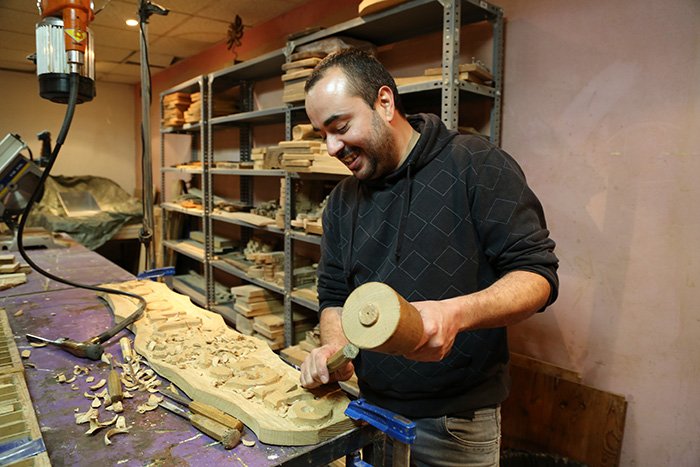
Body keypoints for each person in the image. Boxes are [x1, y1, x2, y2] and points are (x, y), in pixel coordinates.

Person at [300, 48, 559, 467]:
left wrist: (456, 313)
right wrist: (334, 348)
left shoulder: (474, 164)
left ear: (384, 102)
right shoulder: (340, 204)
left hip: (455, 425)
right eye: (321, 134)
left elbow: (537, 274)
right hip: (372, 411)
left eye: (340, 126)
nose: (331, 147)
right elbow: (333, 294)